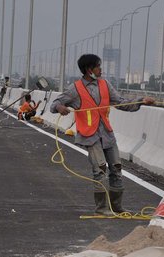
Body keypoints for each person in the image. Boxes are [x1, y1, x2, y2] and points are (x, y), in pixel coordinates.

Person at [50, 54, 155, 215]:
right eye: (98, 66)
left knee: (117, 168)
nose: (101, 69)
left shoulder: (105, 84)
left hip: (106, 133)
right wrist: (59, 108)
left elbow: (121, 102)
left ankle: (116, 207)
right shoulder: (75, 89)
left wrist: (141, 101)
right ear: (88, 69)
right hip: (90, 135)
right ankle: (101, 208)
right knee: (99, 170)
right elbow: (55, 103)